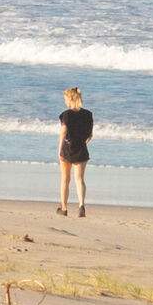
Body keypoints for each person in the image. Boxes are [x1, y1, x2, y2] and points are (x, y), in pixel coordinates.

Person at [55, 86, 94, 216]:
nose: (65, 101)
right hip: (81, 149)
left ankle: (64, 208)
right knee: (80, 179)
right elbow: (90, 135)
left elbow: (63, 132)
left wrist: (59, 149)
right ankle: (81, 205)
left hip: (68, 148)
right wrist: (82, 143)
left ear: (70, 99)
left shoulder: (66, 114)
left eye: (65, 99)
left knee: (65, 179)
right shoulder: (88, 114)